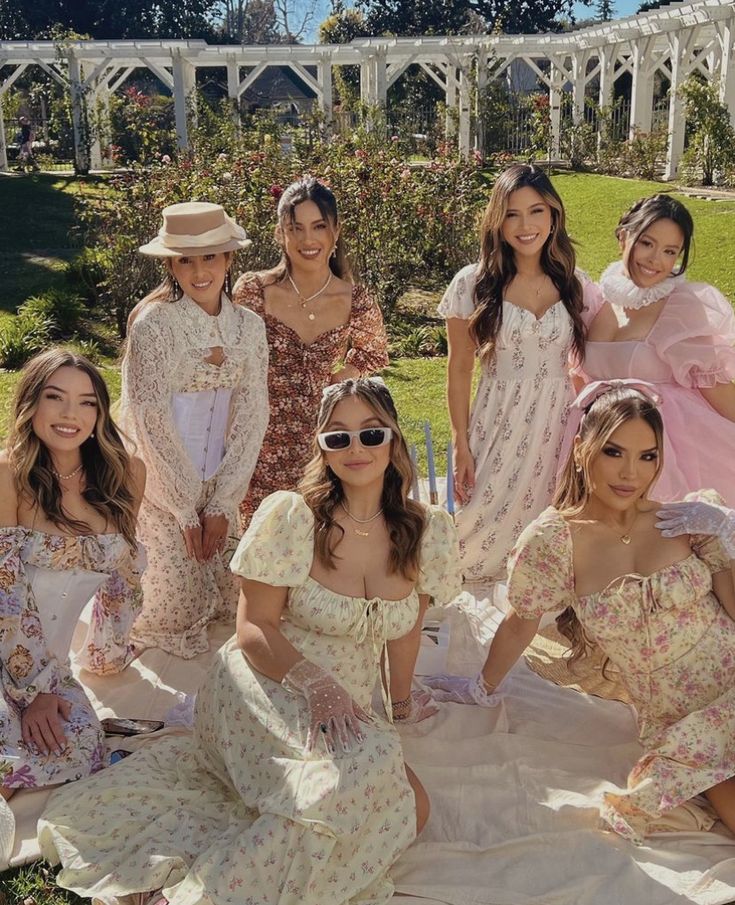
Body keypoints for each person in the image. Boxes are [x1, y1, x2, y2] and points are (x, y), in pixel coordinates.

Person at [39, 378, 462, 905]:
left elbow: (405, 634)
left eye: (371, 435)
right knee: (336, 793)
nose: (356, 449)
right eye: (338, 438)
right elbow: (254, 627)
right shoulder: (292, 517)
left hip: (346, 702)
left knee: (409, 806)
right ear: (321, 449)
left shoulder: (426, 531)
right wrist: (314, 682)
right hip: (264, 681)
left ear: (394, 440)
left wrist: (398, 706)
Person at [425, 382, 735, 844]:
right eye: (614, 452)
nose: (631, 472)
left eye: (647, 456)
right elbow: (520, 621)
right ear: (580, 449)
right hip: (682, 720)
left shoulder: (686, 520)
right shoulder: (552, 542)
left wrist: (727, 537)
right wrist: (481, 687)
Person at [0, 349, 145, 861]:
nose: (70, 415)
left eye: (86, 403)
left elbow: (123, 578)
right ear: (31, 405)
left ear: (101, 414)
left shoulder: (126, 474)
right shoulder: (8, 474)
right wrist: (35, 691)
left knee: (79, 749)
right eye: (54, 397)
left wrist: (107, 652)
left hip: (53, 669)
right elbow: (6, 593)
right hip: (6, 652)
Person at [440, 163, 598, 586]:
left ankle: (531, 596)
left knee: (544, 516)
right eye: (512, 214)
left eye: (536, 211)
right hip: (497, 417)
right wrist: (460, 442)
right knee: (475, 519)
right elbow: (459, 368)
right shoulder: (471, 284)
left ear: (553, 216)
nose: (525, 225)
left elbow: (594, 360)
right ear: (497, 220)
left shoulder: (575, 285)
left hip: (556, 421)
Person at [123, 201, 269, 658]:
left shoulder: (249, 328)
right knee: (170, 608)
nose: (200, 270)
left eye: (210, 257)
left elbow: (252, 415)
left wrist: (224, 501)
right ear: (171, 264)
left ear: (229, 260)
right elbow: (150, 423)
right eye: (186, 259)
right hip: (162, 485)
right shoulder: (154, 326)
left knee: (238, 596)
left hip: (220, 481)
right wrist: (186, 508)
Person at [233, 176, 389, 529]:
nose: (308, 239)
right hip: (259, 445)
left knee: (319, 551)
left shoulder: (355, 300)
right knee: (262, 552)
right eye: (296, 228)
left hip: (323, 448)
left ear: (335, 231)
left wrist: (340, 378)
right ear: (280, 234)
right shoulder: (254, 291)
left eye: (318, 226)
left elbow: (374, 354)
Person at [574, 193, 735, 502]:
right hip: (601, 443)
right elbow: (580, 379)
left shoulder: (681, 308)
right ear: (623, 236)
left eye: (670, 251)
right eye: (647, 243)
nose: (656, 260)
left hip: (664, 449)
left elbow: (719, 390)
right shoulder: (595, 302)